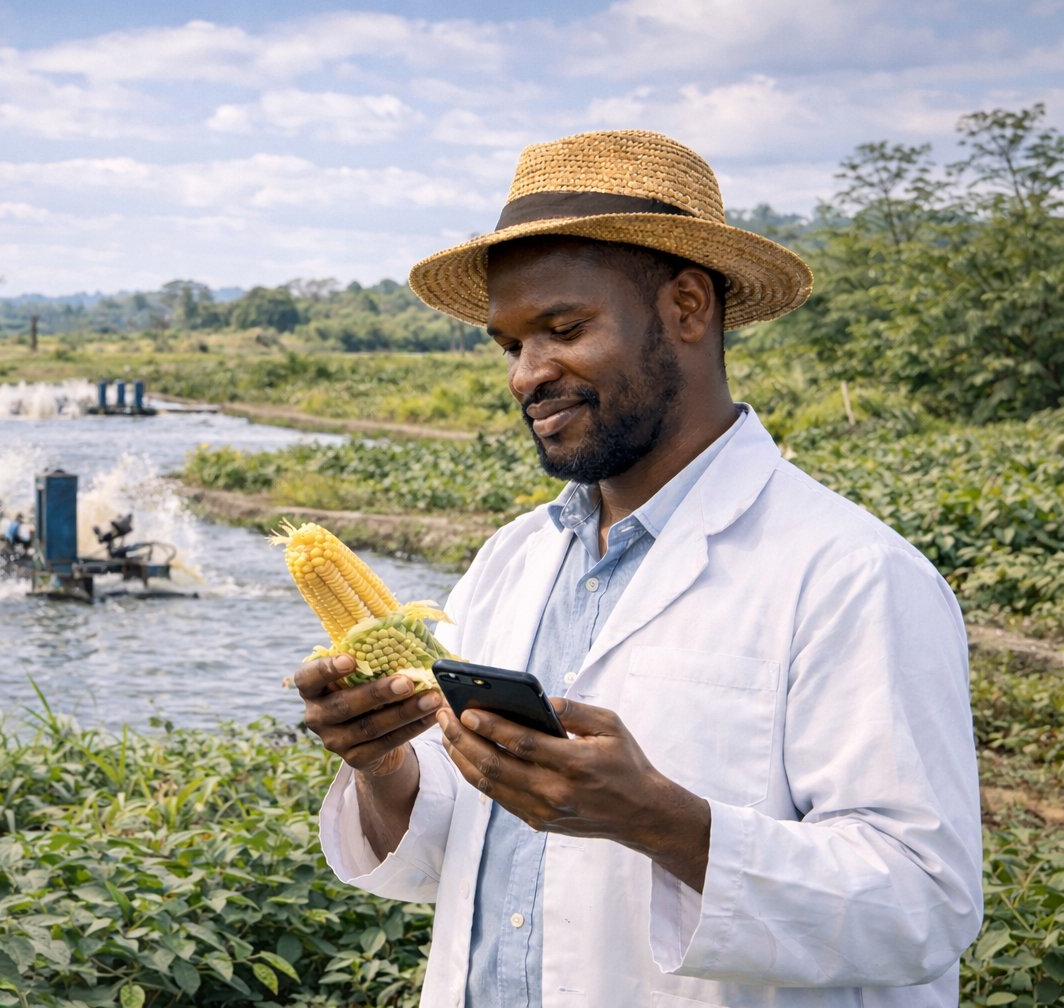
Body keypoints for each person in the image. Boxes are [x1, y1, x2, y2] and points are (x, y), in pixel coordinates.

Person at [295, 130, 982, 1006]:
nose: (527, 375)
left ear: (688, 307)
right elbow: (454, 851)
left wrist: (662, 821)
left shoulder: (853, 575)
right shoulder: (512, 560)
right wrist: (382, 763)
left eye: (563, 329)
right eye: (509, 345)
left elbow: (925, 902)